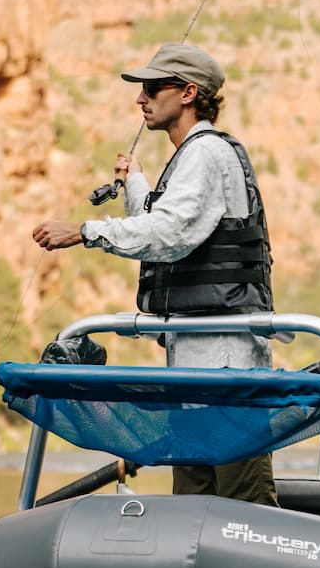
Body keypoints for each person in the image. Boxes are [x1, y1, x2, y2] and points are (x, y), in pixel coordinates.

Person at [31, 40, 277, 507]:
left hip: (226, 366)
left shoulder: (205, 153)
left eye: (151, 88)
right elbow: (166, 219)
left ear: (187, 93)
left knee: (245, 507)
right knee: (193, 503)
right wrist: (137, 181)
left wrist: (83, 231)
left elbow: (170, 233)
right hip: (194, 370)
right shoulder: (189, 157)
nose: (140, 99)